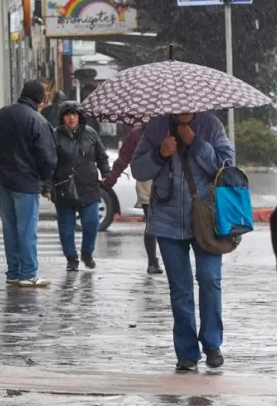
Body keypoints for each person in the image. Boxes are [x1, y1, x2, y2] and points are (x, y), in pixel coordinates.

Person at [131, 112, 235, 372]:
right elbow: (138, 168)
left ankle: (212, 344)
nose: (184, 110)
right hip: (167, 219)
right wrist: (160, 154)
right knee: (180, 289)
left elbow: (226, 165)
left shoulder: (210, 125)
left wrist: (197, 143)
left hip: (206, 218)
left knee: (210, 279)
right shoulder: (156, 126)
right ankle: (187, 352)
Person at [0, 81, 58, 288]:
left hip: (3, 178)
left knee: (9, 228)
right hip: (26, 181)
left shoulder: (3, 113)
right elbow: (48, 157)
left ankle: (13, 271)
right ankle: (28, 273)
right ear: (39, 99)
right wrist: (46, 182)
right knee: (27, 229)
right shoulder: (37, 120)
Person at [51, 102, 110, 271]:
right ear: (62, 117)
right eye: (67, 114)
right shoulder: (55, 136)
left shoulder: (90, 134)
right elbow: (49, 162)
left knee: (91, 223)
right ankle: (71, 258)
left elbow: (101, 156)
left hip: (88, 186)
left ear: (79, 117)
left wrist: (105, 172)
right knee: (66, 227)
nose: (71, 118)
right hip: (64, 187)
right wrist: (47, 186)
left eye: (74, 114)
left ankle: (87, 253)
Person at [104, 125, 163, 274]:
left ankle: (160, 260)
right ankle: (152, 261)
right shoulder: (138, 134)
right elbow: (124, 158)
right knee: (152, 222)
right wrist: (109, 181)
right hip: (146, 183)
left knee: (162, 224)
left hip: (168, 184)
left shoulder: (170, 128)